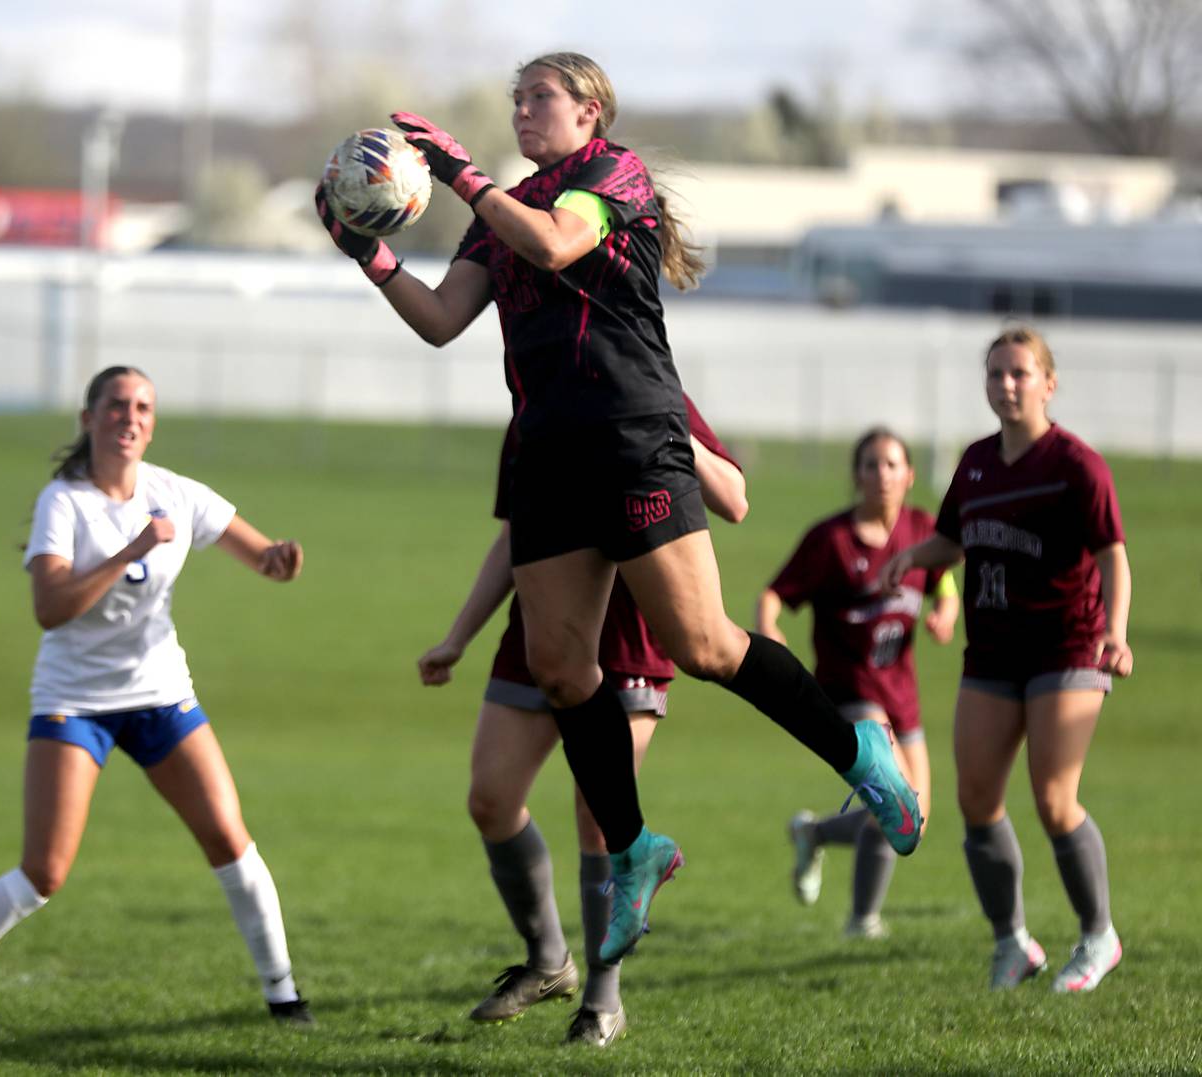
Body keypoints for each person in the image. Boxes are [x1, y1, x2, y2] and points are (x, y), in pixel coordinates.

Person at [316, 49, 923, 968]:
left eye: (541, 98)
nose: (523, 110)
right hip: (549, 455)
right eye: (516, 99)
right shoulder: (503, 212)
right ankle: (637, 847)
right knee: (562, 668)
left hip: (633, 436)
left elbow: (557, 243)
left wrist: (460, 173)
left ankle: (861, 754)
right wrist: (371, 252)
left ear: (590, 112)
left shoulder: (611, 175)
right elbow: (442, 318)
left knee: (706, 644)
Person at [0, 367, 314, 1028]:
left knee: (229, 836)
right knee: (44, 871)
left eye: (142, 407)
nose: (130, 417)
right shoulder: (66, 501)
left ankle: (285, 999)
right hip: (74, 701)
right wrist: (131, 547)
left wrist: (278, 559)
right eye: (116, 406)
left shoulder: (176, 492)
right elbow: (50, 608)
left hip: (161, 696)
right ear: (88, 419)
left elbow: (258, 554)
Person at [418, 396, 746, 1048]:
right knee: (490, 798)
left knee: (600, 817)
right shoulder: (534, 405)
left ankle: (603, 997)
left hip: (627, 642)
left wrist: (674, 430)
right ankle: (548, 960)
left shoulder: (654, 391)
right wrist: (458, 635)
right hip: (540, 633)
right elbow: (515, 535)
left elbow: (734, 500)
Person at [880, 327, 1133, 992]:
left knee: (1054, 800)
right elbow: (953, 540)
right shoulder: (974, 462)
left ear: (1049, 383)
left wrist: (1117, 630)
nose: (1007, 385)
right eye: (996, 374)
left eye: (1021, 373)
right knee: (975, 799)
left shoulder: (1077, 464)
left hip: (1069, 648)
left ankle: (1098, 935)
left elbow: (1113, 555)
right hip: (992, 653)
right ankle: (1012, 942)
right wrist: (914, 557)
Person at [756, 429, 959, 939]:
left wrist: (946, 616)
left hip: (902, 695)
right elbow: (775, 593)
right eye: (870, 464)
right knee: (894, 798)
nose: (881, 474)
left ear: (910, 475)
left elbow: (944, 584)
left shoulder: (921, 529)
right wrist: (769, 628)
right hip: (849, 692)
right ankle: (863, 920)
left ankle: (814, 832)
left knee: (913, 820)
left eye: (891, 464)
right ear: (856, 475)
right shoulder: (831, 540)